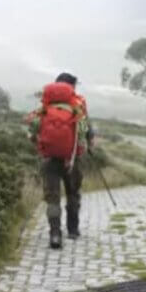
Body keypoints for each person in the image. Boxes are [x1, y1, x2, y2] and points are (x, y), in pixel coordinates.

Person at [27, 72, 94, 249]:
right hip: (72, 159)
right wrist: (89, 145)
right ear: (71, 87)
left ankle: (55, 234)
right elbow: (86, 129)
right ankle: (73, 229)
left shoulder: (45, 107)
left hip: (49, 159)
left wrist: (41, 146)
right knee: (73, 193)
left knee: (53, 198)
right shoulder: (77, 105)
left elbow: (33, 131)